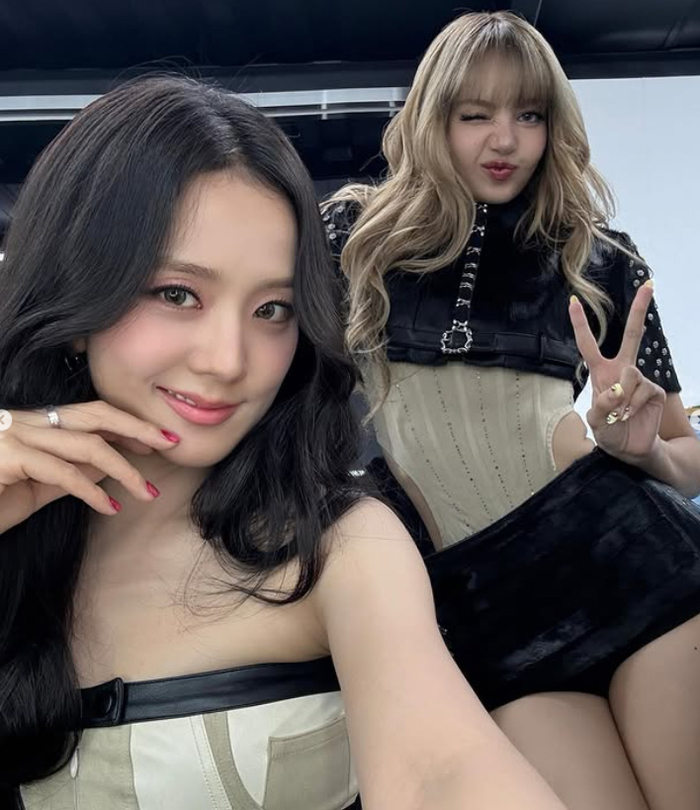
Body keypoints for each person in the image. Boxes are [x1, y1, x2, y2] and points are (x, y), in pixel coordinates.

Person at [0, 75, 569, 810]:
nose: (228, 360)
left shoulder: (338, 547)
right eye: (177, 294)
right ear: (76, 296)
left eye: (273, 309)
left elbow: (441, 772)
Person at [323, 11, 700, 810]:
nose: (506, 140)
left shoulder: (602, 257)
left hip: (634, 566)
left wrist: (643, 451)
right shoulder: (356, 237)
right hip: (487, 614)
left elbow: (687, 456)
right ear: (435, 118)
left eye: (529, 115)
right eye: (476, 115)